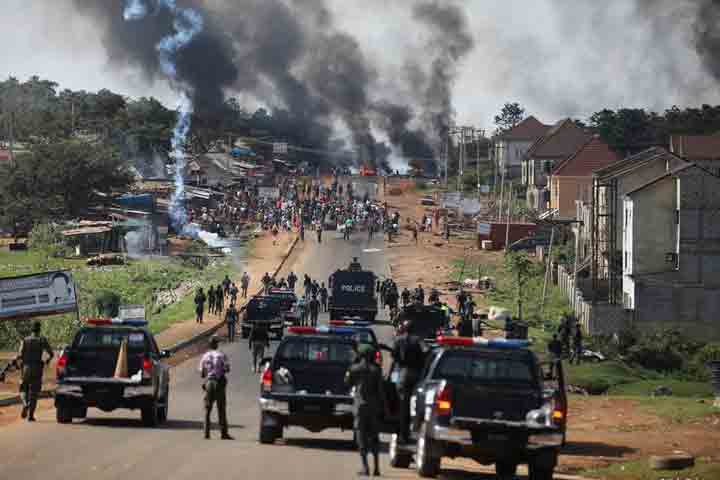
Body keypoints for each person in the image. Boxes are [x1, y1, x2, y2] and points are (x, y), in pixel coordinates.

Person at [345, 344, 386, 477]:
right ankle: (377, 467)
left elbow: (347, 382)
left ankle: (365, 467)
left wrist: (352, 365)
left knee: (361, 436)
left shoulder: (355, 369)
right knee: (374, 436)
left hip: (360, 406)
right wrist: (385, 408)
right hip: (373, 406)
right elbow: (381, 391)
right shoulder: (377, 370)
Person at [393, 325, 425, 445]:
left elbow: (394, 355)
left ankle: (402, 434)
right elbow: (424, 355)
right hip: (416, 375)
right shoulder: (418, 341)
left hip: (403, 374)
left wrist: (401, 364)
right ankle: (414, 431)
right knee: (416, 404)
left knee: (402, 405)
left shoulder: (399, 340)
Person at [17, 321, 53, 421]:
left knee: (23, 388)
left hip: (26, 368)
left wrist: (17, 362)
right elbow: (51, 353)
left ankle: (25, 404)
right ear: (39, 329)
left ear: (31, 329)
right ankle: (30, 416)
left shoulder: (24, 340)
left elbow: (20, 355)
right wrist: (46, 361)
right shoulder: (42, 340)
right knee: (34, 393)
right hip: (37, 368)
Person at [199, 336, 232, 440]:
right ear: (217, 345)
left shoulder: (205, 356)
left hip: (209, 383)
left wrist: (208, 373)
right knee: (221, 408)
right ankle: (223, 433)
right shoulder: (221, 355)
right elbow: (227, 369)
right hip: (219, 382)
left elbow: (202, 373)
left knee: (207, 409)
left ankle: (206, 433)